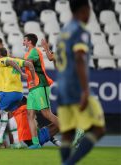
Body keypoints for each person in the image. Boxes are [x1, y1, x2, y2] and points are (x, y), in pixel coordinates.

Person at [56, 0, 105, 164]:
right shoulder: (80, 30)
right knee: (98, 129)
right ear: (85, 10)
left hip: (62, 88)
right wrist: (85, 90)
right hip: (76, 88)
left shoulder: (64, 31)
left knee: (67, 133)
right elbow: (79, 57)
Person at [0, 47, 36, 148]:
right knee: (7, 113)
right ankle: (16, 142)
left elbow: (10, 61)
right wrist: (33, 78)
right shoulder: (14, 60)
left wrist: (21, 73)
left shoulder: (1, 60)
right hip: (19, 93)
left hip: (7, 91)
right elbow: (30, 64)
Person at [23, 33, 59, 149]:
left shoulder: (34, 51)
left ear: (29, 41)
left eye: (24, 40)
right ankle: (35, 143)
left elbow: (28, 63)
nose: (23, 42)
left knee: (46, 113)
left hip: (40, 85)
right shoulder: (29, 52)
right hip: (33, 87)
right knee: (30, 114)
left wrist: (11, 61)